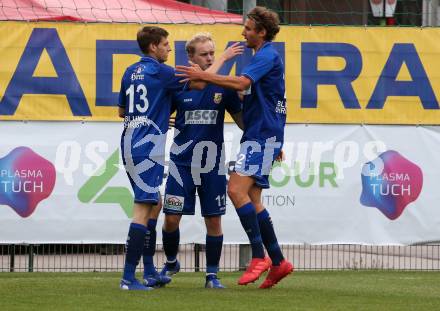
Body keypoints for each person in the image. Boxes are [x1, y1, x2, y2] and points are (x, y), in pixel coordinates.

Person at [175, 6, 293, 289]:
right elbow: (256, 94)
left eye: (248, 28)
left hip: (262, 135)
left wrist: (207, 76)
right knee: (252, 199)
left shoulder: (266, 55)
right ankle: (278, 261)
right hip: (262, 133)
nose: (244, 33)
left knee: (235, 190)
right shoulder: (261, 57)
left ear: (261, 32)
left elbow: (240, 83)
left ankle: (258, 257)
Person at [118, 26, 243, 291]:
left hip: (202, 160)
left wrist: (160, 117)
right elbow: (199, 82)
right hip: (168, 157)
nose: (168, 48)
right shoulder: (168, 75)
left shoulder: (130, 72)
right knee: (150, 209)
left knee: (155, 204)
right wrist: (224, 58)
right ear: (154, 47)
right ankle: (132, 277)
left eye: (213, 54)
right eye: (165, 44)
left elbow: (122, 110)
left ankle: (167, 273)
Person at [159, 33, 243, 289]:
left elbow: (243, 123)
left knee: (214, 220)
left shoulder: (223, 87)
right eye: (204, 54)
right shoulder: (180, 85)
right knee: (172, 218)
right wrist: (165, 120)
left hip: (212, 164)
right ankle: (172, 262)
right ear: (191, 58)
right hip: (181, 163)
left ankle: (212, 276)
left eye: (212, 53)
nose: (209, 58)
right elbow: (160, 112)